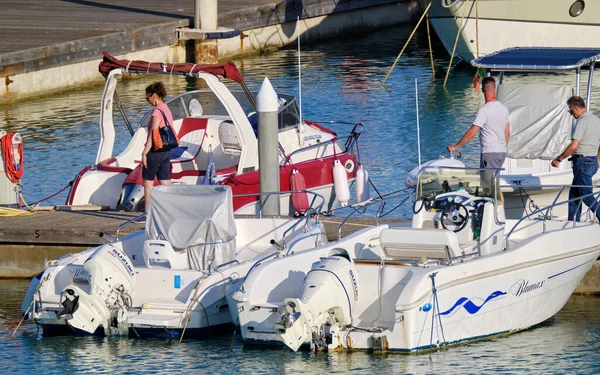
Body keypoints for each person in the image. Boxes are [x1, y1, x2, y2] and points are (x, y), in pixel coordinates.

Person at [447, 76, 510, 198]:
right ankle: (495, 212)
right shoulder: (503, 109)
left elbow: (472, 132)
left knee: (490, 187)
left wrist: (456, 146)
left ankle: (498, 213)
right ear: (495, 89)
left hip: (490, 152)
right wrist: (503, 146)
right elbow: (507, 132)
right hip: (501, 152)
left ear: (483, 90)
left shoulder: (484, 110)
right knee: (492, 185)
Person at [551, 96, 600, 221]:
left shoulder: (582, 122)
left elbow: (573, 147)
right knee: (574, 195)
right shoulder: (596, 120)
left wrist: (559, 159)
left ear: (576, 107)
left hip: (582, 163)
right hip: (592, 161)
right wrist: (598, 159)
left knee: (586, 196)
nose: (571, 114)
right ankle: (573, 222)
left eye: (570, 111)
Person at [141, 81, 174, 212]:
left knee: (148, 183)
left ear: (154, 96)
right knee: (165, 181)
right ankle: (172, 210)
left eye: (147, 97)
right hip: (166, 150)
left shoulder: (156, 112)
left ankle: (147, 214)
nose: (147, 100)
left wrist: (144, 153)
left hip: (155, 151)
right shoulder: (166, 109)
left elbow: (152, 135)